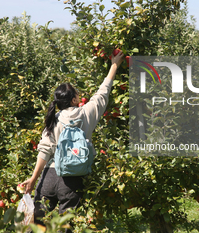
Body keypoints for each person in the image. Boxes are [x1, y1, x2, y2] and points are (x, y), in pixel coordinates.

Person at [21, 50, 125, 230]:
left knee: (35, 225)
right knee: (67, 226)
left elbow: (44, 150)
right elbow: (103, 92)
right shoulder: (86, 113)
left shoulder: (53, 119)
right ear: (75, 99)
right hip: (74, 178)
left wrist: (32, 179)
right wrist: (114, 65)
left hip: (50, 176)